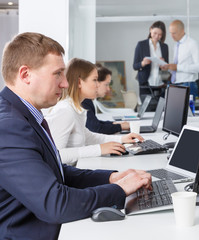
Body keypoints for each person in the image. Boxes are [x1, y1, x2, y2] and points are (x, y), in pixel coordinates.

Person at [0, 32, 151, 239]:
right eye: (58, 74)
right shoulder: (9, 126)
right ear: (26, 75)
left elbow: (55, 171)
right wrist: (119, 189)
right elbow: (55, 204)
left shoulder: (23, 115)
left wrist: (110, 177)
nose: (64, 83)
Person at [45, 58, 144, 166]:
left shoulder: (76, 109)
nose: (98, 85)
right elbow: (57, 155)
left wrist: (121, 139)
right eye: (95, 80)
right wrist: (100, 149)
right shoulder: (65, 111)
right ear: (79, 82)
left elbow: (88, 137)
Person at [162, 19, 199, 99]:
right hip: (175, 84)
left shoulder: (192, 44)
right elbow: (178, 65)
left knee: (188, 111)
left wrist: (178, 67)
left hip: (187, 84)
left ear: (182, 31)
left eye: (174, 33)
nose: (172, 36)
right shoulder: (177, 45)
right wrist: (169, 68)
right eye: (170, 33)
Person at [82, 63, 130, 134]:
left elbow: (96, 123)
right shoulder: (84, 101)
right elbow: (96, 128)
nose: (108, 89)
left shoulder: (87, 100)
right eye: (106, 84)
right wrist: (120, 126)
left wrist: (116, 124)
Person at [133, 21, 169, 100]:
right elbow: (135, 66)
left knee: (161, 110)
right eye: (155, 33)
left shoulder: (164, 47)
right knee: (147, 110)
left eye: (160, 34)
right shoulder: (141, 45)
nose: (157, 36)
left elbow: (166, 69)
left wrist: (164, 66)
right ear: (150, 30)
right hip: (146, 84)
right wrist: (143, 63)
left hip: (161, 85)